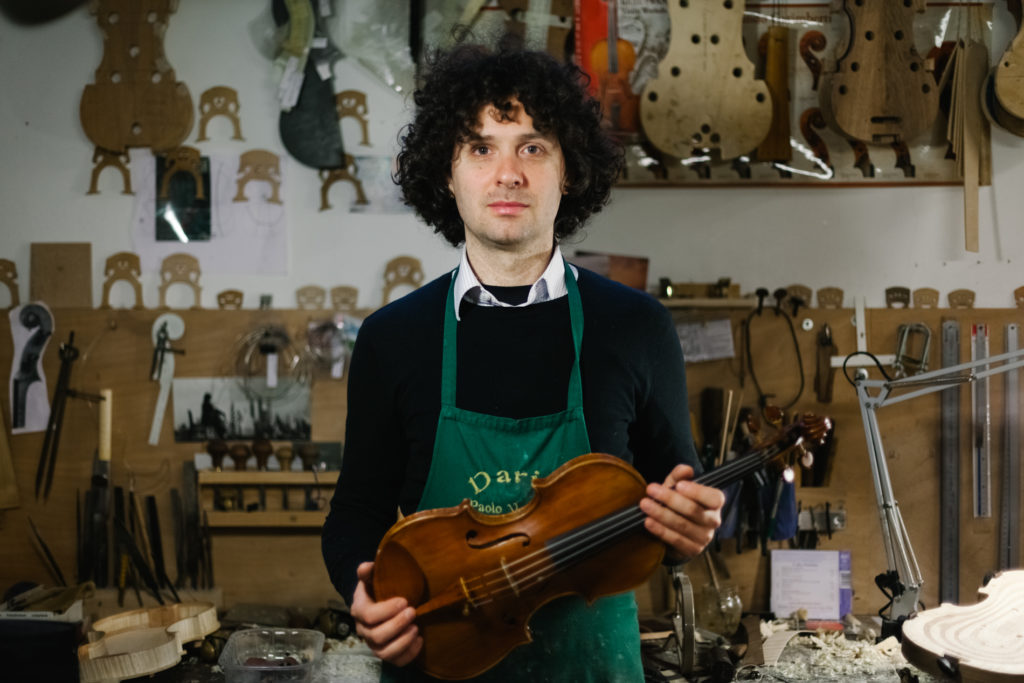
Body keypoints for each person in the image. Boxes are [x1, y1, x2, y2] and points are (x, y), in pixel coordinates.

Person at [321, 41, 725, 682]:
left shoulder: (636, 327)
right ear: (446, 173)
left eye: (533, 147)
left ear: (570, 171)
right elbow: (356, 512)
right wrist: (362, 592)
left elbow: (682, 492)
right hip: (442, 663)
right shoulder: (392, 337)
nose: (507, 173)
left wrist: (696, 527)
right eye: (481, 148)